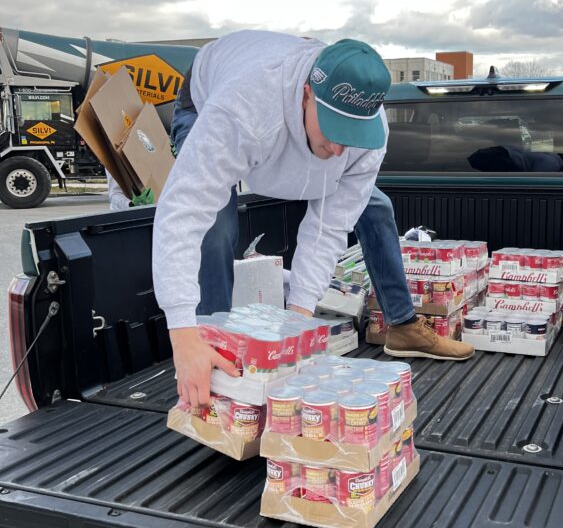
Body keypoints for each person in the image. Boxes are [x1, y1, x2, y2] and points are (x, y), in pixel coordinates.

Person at [152, 31, 474, 408]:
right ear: (308, 94)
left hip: (281, 124)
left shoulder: (371, 134)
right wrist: (182, 335)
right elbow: (183, 210)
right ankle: (210, 353)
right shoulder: (243, 109)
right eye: (335, 130)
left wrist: (297, 327)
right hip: (208, 94)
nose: (338, 149)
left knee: (374, 206)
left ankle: (402, 325)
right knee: (215, 224)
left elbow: (329, 228)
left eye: (352, 135)